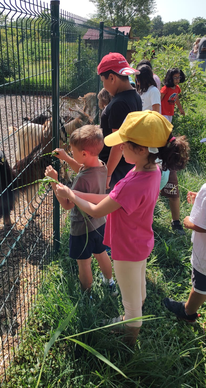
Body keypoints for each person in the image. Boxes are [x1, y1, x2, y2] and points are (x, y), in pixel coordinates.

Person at [54, 111, 190, 345]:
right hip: (141, 241)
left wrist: (71, 195)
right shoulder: (151, 170)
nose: (119, 148)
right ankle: (134, 311)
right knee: (138, 287)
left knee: (130, 301)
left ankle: (129, 340)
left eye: (123, 145)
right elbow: (110, 199)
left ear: (142, 149)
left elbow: (97, 210)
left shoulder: (133, 183)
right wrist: (75, 193)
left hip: (126, 248)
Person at [45, 125, 117, 295]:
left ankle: (87, 296)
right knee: (101, 253)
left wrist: (54, 181)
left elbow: (67, 204)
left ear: (84, 154)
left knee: (84, 263)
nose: (71, 153)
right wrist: (67, 159)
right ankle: (110, 283)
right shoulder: (101, 166)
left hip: (81, 228)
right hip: (100, 223)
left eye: (73, 151)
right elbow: (83, 168)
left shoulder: (81, 182)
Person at [164, 134, 206, 323]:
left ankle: (188, 311)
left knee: (201, 283)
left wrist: (186, 220)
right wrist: (200, 197)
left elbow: (203, 226)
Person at [97, 52, 142, 191]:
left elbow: (118, 143)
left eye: (103, 81)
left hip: (114, 168)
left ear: (112, 77)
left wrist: (108, 174)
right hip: (125, 164)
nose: (104, 86)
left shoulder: (119, 103)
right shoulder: (135, 96)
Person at [160, 68, 186, 234]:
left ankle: (176, 221)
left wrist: (180, 109)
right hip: (161, 115)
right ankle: (176, 222)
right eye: (175, 77)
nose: (177, 80)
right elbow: (159, 100)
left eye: (179, 77)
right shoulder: (164, 89)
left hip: (169, 117)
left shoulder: (177, 89)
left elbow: (175, 101)